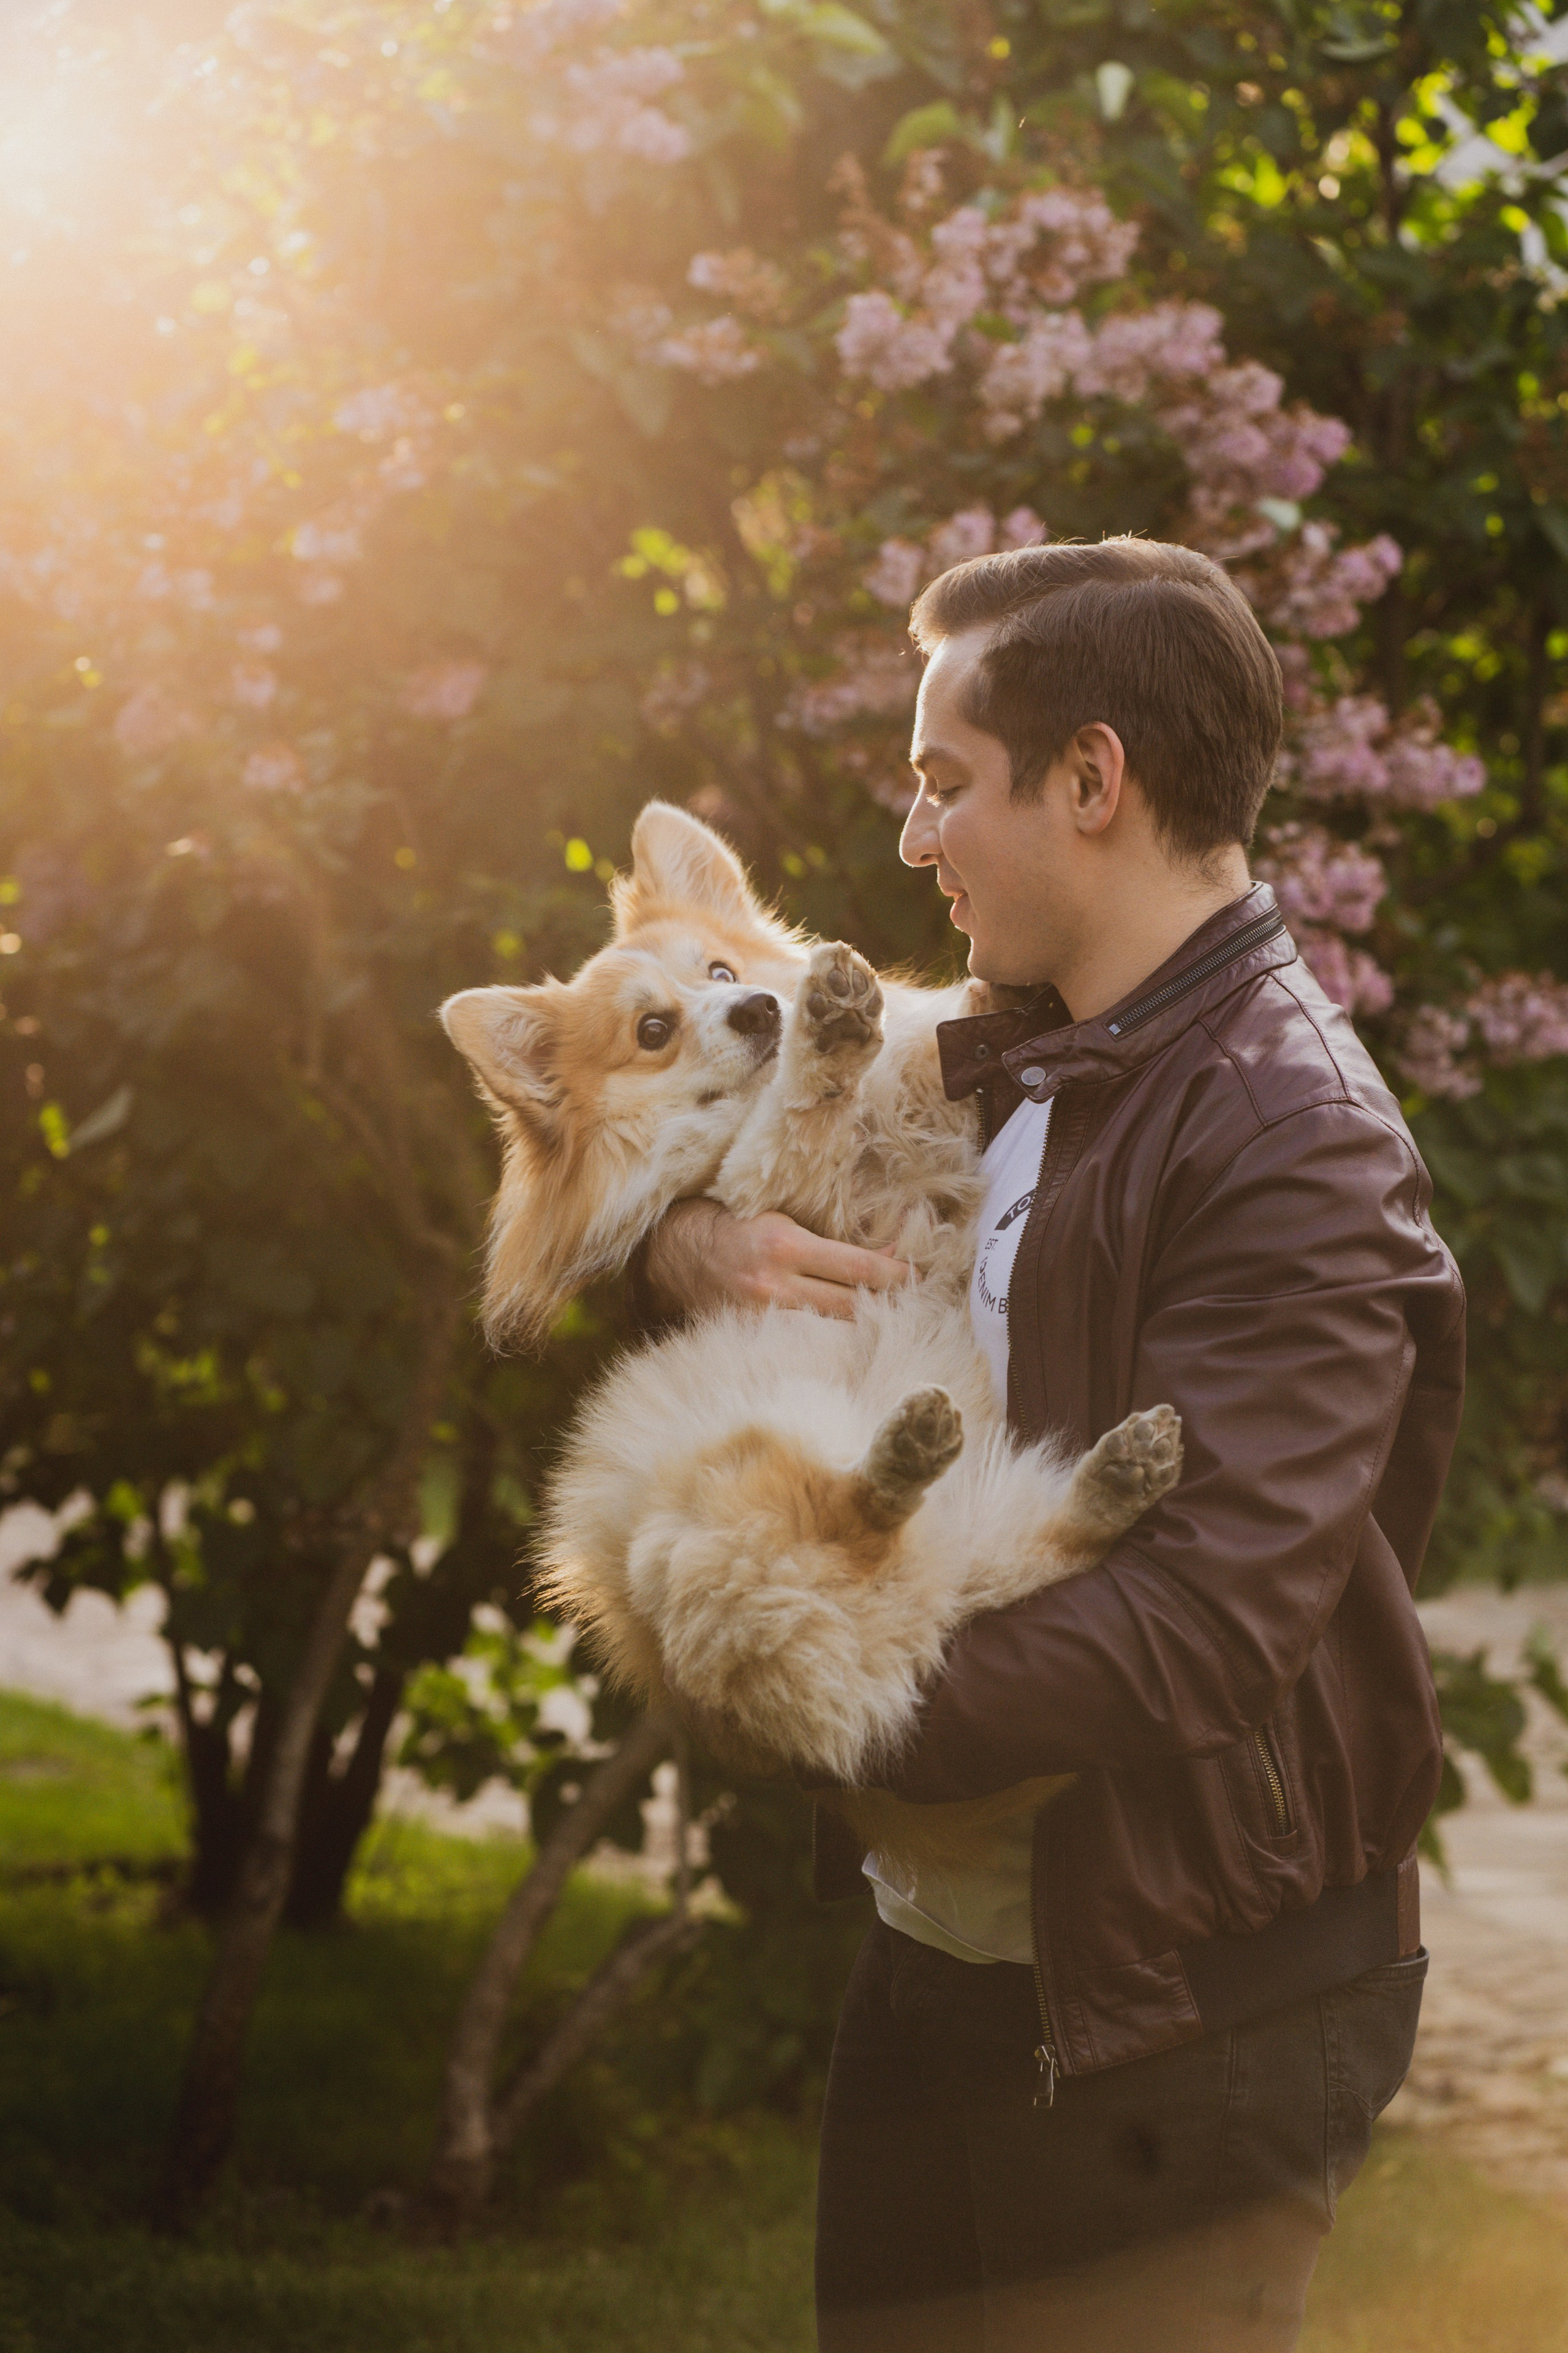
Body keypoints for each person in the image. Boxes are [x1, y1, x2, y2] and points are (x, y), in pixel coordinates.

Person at [642, 538, 1463, 2351]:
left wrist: (815, 1687)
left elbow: (1204, 1622)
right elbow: (673, 1149)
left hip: (1186, 1993)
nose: (915, 839)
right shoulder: (1017, 1046)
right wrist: (689, 1247)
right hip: (948, 1942)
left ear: (1093, 780)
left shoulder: (1289, 1136)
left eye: (947, 785)